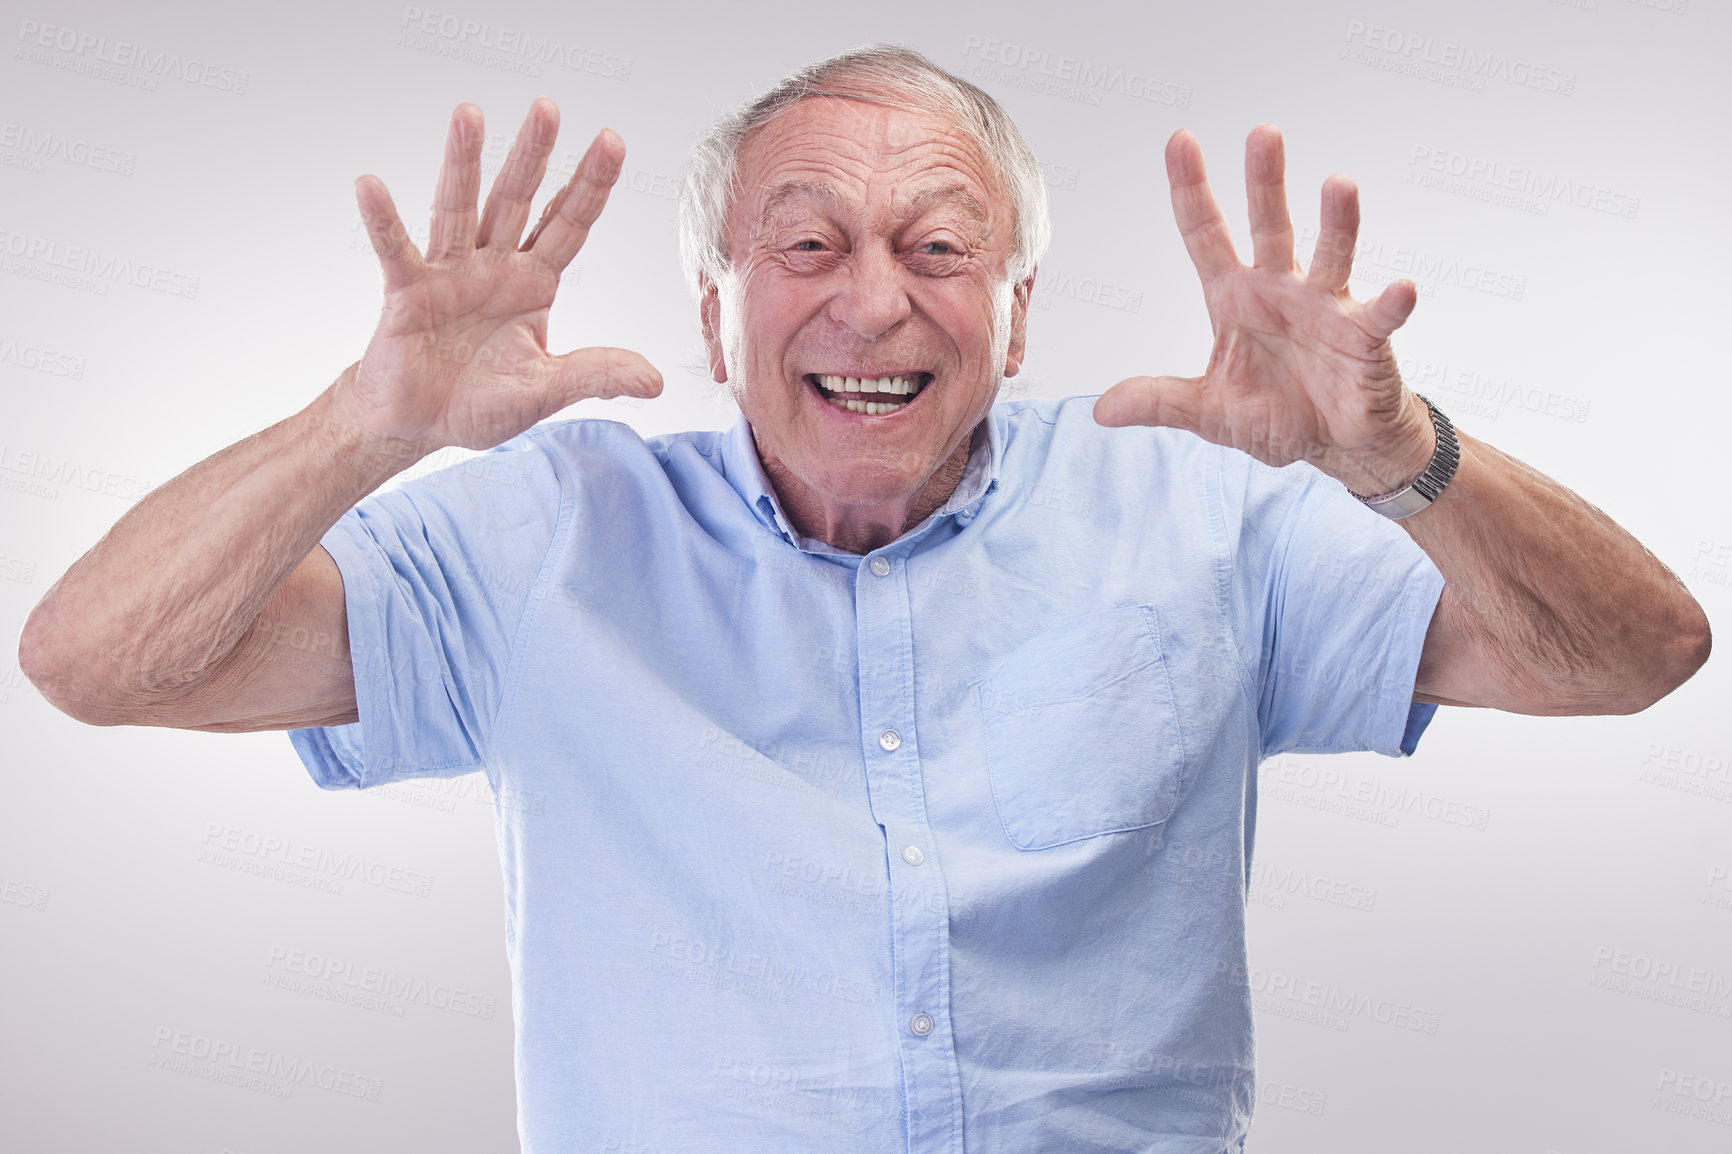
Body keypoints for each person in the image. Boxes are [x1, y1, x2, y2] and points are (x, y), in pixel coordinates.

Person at [17, 43, 1709, 1154]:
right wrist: (357, 427)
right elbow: (94, 661)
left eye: (941, 247)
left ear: (1023, 312)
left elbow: (1640, 654)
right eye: (808, 245)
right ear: (716, 305)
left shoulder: (1199, 513)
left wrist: (1402, 454)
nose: (872, 303)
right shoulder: (544, 540)